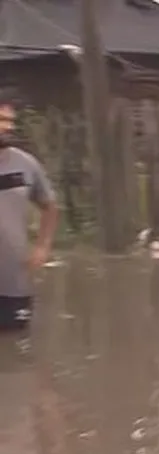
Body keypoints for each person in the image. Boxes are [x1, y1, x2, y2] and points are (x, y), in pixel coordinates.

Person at [0, 91, 58, 333]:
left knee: (15, 345)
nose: (8, 127)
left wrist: (43, 246)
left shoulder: (26, 164)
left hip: (14, 276)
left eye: (10, 121)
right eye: (1, 120)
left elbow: (50, 206)